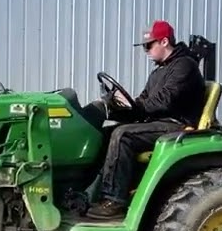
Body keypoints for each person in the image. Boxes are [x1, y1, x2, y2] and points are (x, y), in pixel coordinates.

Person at [84, 20, 208, 220]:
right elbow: (144, 101)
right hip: (159, 122)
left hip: (176, 124)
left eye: (148, 45)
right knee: (106, 132)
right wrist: (120, 107)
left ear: (164, 41)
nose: (146, 51)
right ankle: (88, 192)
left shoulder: (184, 66)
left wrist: (136, 107)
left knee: (122, 135)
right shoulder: (159, 71)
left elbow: (164, 101)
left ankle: (114, 200)